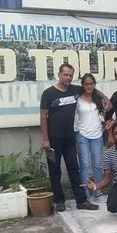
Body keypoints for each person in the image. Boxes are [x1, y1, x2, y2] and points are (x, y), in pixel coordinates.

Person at [40, 63, 103, 212]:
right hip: (53, 139)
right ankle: (59, 200)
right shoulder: (48, 93)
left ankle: (81, 200)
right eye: (65, 75)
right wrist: (45, 139)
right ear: (59, 74)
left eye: (70, 75)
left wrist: (105, 99)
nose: (68, 78)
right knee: (55, 170)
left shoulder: (76, 90)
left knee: (74, 169)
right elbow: (43, 116)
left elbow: (92, 89)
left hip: (69, 139)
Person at [74, 73, 105, 200]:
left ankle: (97, 191)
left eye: (91, 83)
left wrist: (103, 127)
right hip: (82, 136)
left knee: (97, 165)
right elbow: (74, 118)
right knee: (85, 165)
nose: (89, 86)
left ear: (94, 85)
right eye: (86, 84)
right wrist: (77, 133)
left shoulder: (98, 99)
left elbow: (104, 116)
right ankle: (85, 193)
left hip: (97, 135)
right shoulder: (77, 100)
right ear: (83, 85)